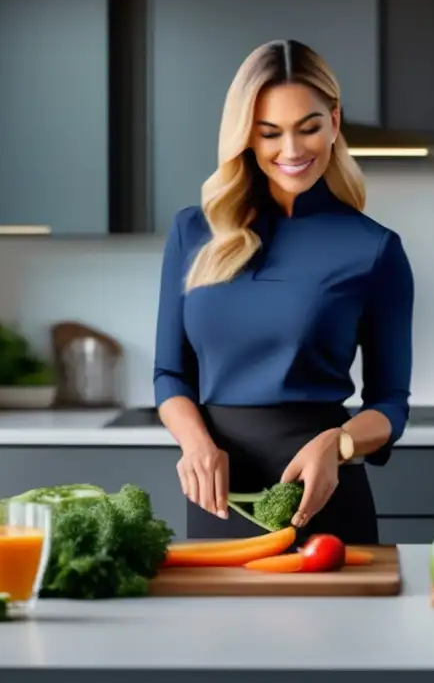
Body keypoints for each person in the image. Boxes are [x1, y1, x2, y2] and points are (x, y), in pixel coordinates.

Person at [153, 39, 414, 544]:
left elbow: (391, 404)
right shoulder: (194, 232)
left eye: (309, 128)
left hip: (325, 498)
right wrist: (195, 444)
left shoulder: (375, 248)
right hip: (219, 497)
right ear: (245, 136)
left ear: (335, 122)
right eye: (269, 133)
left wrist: (338, 444)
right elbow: (169, 374)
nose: (291, 151)